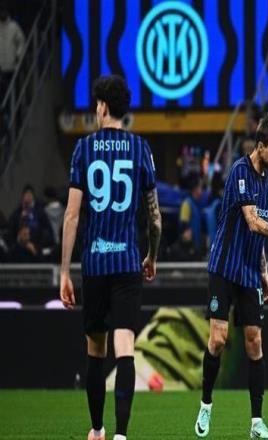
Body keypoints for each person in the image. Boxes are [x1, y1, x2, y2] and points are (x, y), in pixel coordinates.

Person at [194, 114, 268, 439]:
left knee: (255, 342)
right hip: (224, 267)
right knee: (218, 340)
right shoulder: (240, 171)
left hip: (249, 270)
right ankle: (206, 404)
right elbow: (252, 221)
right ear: (260, 146)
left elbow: (258, 231)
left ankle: (256, 423)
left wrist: (263, 270)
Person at [59, 75, 161, 440]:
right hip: (128, 263)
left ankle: (97, 429)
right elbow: (154, 217)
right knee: (125, 347)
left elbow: (72, 216)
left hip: (95, 264)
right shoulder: (140, 147)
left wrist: (64, 272)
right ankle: (120, 434)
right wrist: (152, 255)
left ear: (102, 106)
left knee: (95, 350)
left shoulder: (83, 149)